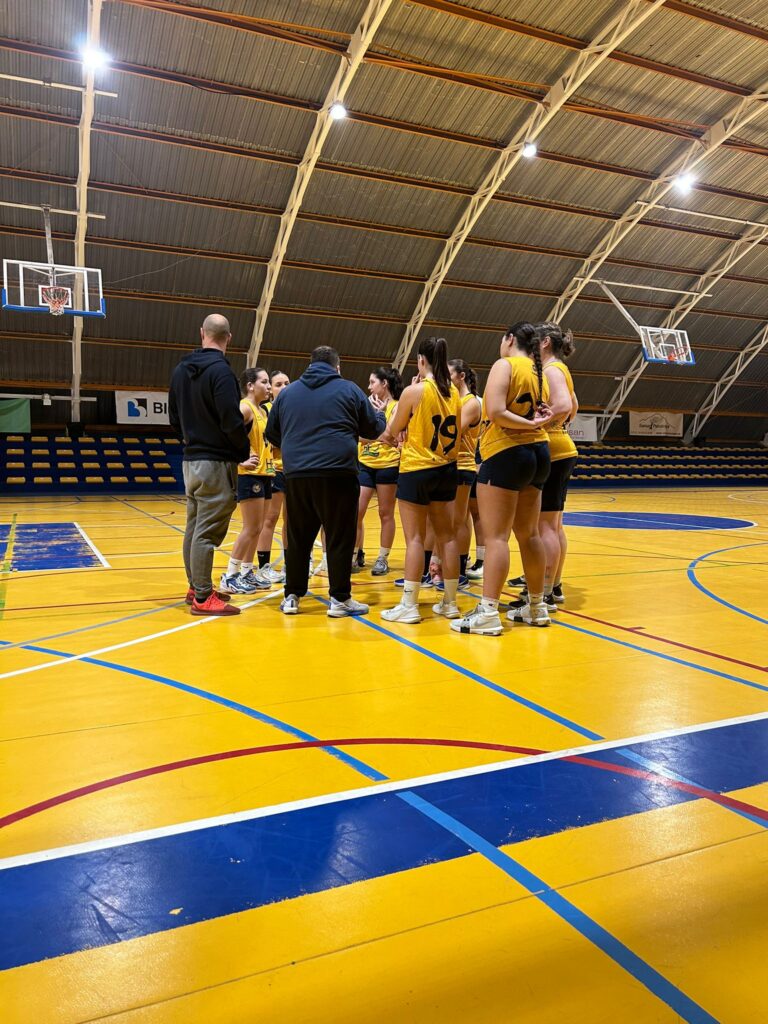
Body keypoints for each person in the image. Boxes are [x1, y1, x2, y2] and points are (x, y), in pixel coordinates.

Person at [265, 346, 386, 617]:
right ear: (337, 367)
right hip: (338, 473)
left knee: (298, 536)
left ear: (310, 364)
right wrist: (380, 414)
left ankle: (292, 596)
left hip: (297, 474)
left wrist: (298, 442)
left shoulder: (288, 394)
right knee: (339, 536)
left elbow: (272, 434)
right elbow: (372, 429)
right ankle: (340, 599)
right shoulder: (349, 389)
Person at [452, 322, 551, 637]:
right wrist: (534, 425)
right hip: (539, 452)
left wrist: (526, 424)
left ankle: (488, 612)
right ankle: (537, 607)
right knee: (530, 534)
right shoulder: (539, 371)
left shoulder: (505, 365)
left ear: (509, 339)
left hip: (507, 452)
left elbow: (494, 411)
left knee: (496, 537)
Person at [168, 313, 249, 617]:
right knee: (207, 532)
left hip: (191, 460)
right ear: (229, 337)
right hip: (215, 462)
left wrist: (190, 440)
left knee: (194, 527)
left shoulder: (180, 370)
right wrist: (241, 451)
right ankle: (203, 597)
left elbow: (173, 417)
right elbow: (231, 419)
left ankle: (196, 586)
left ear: (202, 333)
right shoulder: (222, 372)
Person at [381, 337, 462, 625]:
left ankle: (409, 605)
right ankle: (450, 603)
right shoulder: (454, 392)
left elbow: (392, 430)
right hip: (447, 468)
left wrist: (399, 427)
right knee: (447, 537)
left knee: (414, 538)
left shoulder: (414, 391)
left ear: (421, 360)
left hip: (417, 468)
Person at [219, 368, 275, 595]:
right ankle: (230, 575)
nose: (269, 386)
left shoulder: (262, 410)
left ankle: (246, 571)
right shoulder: (245, 408)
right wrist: (240, 460)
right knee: (250, 527)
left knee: (258, 528)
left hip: (265, 473)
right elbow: (224, 433)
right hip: (249, 475)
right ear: (250, 385)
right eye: (264, 382)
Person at [538, 323, 578, 609]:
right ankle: (555, 584)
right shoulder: (561, 369)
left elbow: (564, 406)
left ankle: (545, 592)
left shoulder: (551, 370)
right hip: (563, 449)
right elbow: (573, 406)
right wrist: (558, 422)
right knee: (554, 526)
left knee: (545, 528)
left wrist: (540, 423)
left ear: (544, 343)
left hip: (553, 451)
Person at [356, 366, 403, 577]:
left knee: (385, 513)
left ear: (384, 384)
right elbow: (359, 435)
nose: (369, 387)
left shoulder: (397, 405)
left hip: (388, 465)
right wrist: (380, 435)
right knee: (356, 512)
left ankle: (382, 558)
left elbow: (392, 434)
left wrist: (379, 424)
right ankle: (356, 553)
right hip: (364, 462)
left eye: (372, 382)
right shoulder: (366, 405)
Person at [448, 358, 482, 588]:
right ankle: (446, 567)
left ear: (461, 376)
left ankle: (460, 572)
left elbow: (451, 432)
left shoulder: (470, 403)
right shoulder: (454, 400)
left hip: (463, 466)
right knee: (454, 520)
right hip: (450, 465)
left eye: (449, 374)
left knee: (458, 521)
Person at [256, 370, 290, 583]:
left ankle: (290, 563)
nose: (284, 387)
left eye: (287, 383)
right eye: (278, 384)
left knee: (292, 520)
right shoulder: (266, 410)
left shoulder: (295, 409)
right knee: (270, 518)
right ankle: (263, 566)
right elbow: (270, 441)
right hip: (274, 469)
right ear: (271, 390)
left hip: (294, 469)